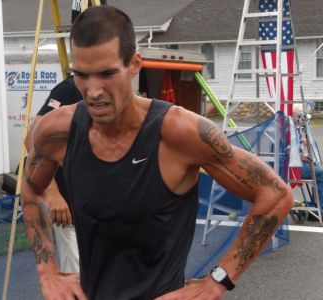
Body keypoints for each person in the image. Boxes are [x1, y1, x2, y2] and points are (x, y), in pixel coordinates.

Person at [21, 5, 293, 300]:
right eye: (82, 75)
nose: (93, 91)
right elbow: (32, 189)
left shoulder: (180, 133)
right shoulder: (58, 131)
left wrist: (217, 281)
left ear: (135, 64)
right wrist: (47, 271)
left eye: (107, 73)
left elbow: (276, 195)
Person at [24, 76, 82, 272]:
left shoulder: (108, 92)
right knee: (76, 276)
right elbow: (32, 139)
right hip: (70, 207)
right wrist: (52, 192)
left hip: (100, 209)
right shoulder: (68, 90)